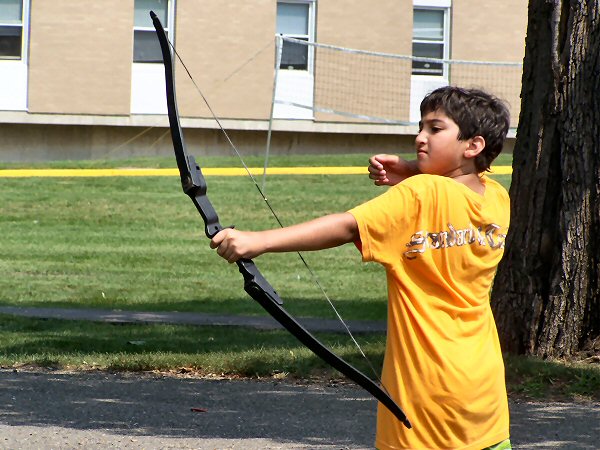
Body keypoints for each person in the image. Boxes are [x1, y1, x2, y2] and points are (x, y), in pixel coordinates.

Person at [210, 86, 512, 450]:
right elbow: (458, 188)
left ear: (473, 145)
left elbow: (349, 226)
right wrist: (413, 169)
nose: (420, 137)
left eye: (435, 129)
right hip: (484, 396)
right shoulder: (496, 198)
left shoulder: (418, 195)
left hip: (425, 397)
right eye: (420, 127)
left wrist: (257, 241)